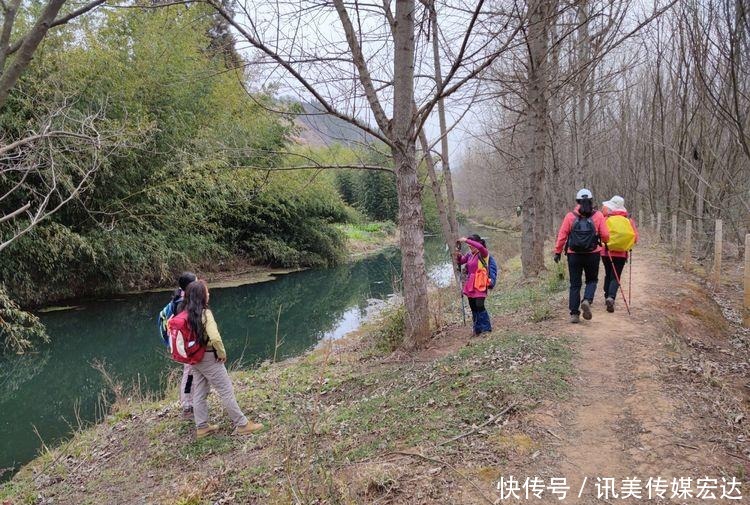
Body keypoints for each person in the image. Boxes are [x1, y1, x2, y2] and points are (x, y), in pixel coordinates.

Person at [179, 279, 263, 438]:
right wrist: (221, 353)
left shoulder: (185, 313)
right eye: (206, 292)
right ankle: (242, 424)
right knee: (226, 390)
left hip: (195, 358)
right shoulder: (205, 313)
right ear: (201, 296)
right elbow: (215, 338)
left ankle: (202, 427)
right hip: (209, 357)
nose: (209, 294)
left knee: (200, 391)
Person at [553, 189, 610, 323]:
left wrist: (557, 252)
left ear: (577, 201)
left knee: (575, 284)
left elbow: (562, 236)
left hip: (574, 255)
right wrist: (604, 241)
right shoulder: (598, 216)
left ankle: (574, 314)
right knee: (591, 280)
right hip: (593, 254)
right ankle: (587, 300)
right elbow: (606, 235)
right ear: (591, 200)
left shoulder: (570, 216)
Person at [158, 272, 196, 418]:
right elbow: (184, 326)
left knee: (191, 372)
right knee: (189, 372)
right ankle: (187, 406)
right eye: (196, 281)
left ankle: (192, 402)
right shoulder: (182, 303)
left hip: (187, 344)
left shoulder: (183, 297)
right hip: (186, 346)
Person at [600, 195, 638, 313]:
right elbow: (635, 238)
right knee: (616, 276)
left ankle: (607, 296)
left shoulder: (606, 219)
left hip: (606, 252)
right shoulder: (628, 221)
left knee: (608, 273)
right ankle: (611, 297)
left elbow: (601, 235)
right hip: (621, 254)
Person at [455, 234, 492, 335]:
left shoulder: (483, 253)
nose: (470, 246)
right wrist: (458, 256)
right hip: (471, 283)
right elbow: (462, 261)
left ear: (477, 243)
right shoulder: (469, 254)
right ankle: (477, 329)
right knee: (473, 306)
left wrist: (466, 240)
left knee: (479, 305)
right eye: (469, 245)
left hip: (480, 283)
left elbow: (480, 247)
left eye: (471, 244)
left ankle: (486, 328)